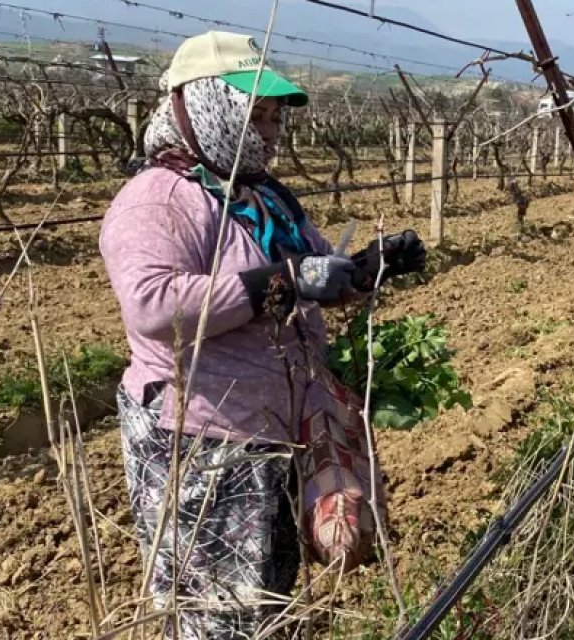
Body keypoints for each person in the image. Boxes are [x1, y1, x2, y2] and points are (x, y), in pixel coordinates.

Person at [100, 31, 426, 637]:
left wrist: (367, 268)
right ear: (203, 106)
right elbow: (153, 306)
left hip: (277, 430)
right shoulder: (158, 200)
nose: (271, 129)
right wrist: (279, 282)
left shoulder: (266, 197)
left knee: (268, 594)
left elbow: (318, 272)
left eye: (276, 116)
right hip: (202, 439)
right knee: (218, 613)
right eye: (257, 114)